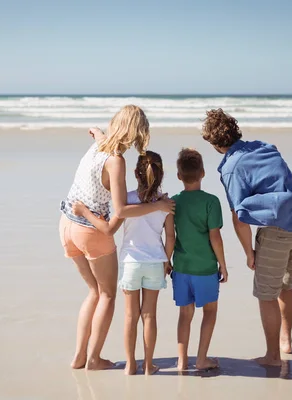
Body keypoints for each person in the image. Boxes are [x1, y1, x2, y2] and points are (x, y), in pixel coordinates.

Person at [58, 105, 175, 371]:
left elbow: (99, 136)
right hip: (91, 230)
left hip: (66, 224)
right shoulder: (116, 160)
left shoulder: (97, 146)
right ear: (137, 132)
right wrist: (158, 206)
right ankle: (94, 359)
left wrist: (96, 130)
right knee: (108, 295)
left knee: (93, 291)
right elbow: (121, 211)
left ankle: (78, 356)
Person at [201, 108, 292, 367]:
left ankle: (273, 357)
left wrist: (249, 252)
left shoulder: (231, 168)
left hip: (277, 229)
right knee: (285, 283)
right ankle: (286, 341)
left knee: (266, 293)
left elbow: (239, 216)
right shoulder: (263, 147)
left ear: (215, 143)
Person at [170, 148, 228, 371]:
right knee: (210, 311)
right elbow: (215, 236)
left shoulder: (174, 203)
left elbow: (170, 235)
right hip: (205, 268)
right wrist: (222, 264)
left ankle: (182, 361)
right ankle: (201, 359)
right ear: (203, 173)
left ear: (179, 176)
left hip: (182, 267)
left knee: (185, 314)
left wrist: (168, 261)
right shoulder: (211, 202)